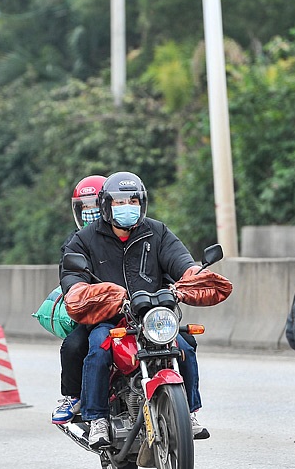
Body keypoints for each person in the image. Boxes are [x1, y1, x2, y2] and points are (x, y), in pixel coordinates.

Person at [60, 171, 233, 448]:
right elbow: (72, 282)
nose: (127, 207)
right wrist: (101, 294)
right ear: (105, 205)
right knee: (98, 347)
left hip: (154, 316)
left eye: (133, 201)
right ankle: (97, 419)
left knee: (185, 346)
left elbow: (182, 263)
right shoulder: (83, 240)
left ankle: (188, 413)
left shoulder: (158, 232)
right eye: (119, 202)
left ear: (143, 204)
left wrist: (191, 279)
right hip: (110, 318)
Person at [52, 174, 106, 425]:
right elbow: (69, 275)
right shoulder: (75, 243)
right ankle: (74, 397)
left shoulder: (132, 234)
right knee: (74, 345)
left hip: (136, 310)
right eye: (84, 207)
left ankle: (185, 408)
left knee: (180, 341)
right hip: (94, 313)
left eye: (95, 205)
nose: (90, 212)